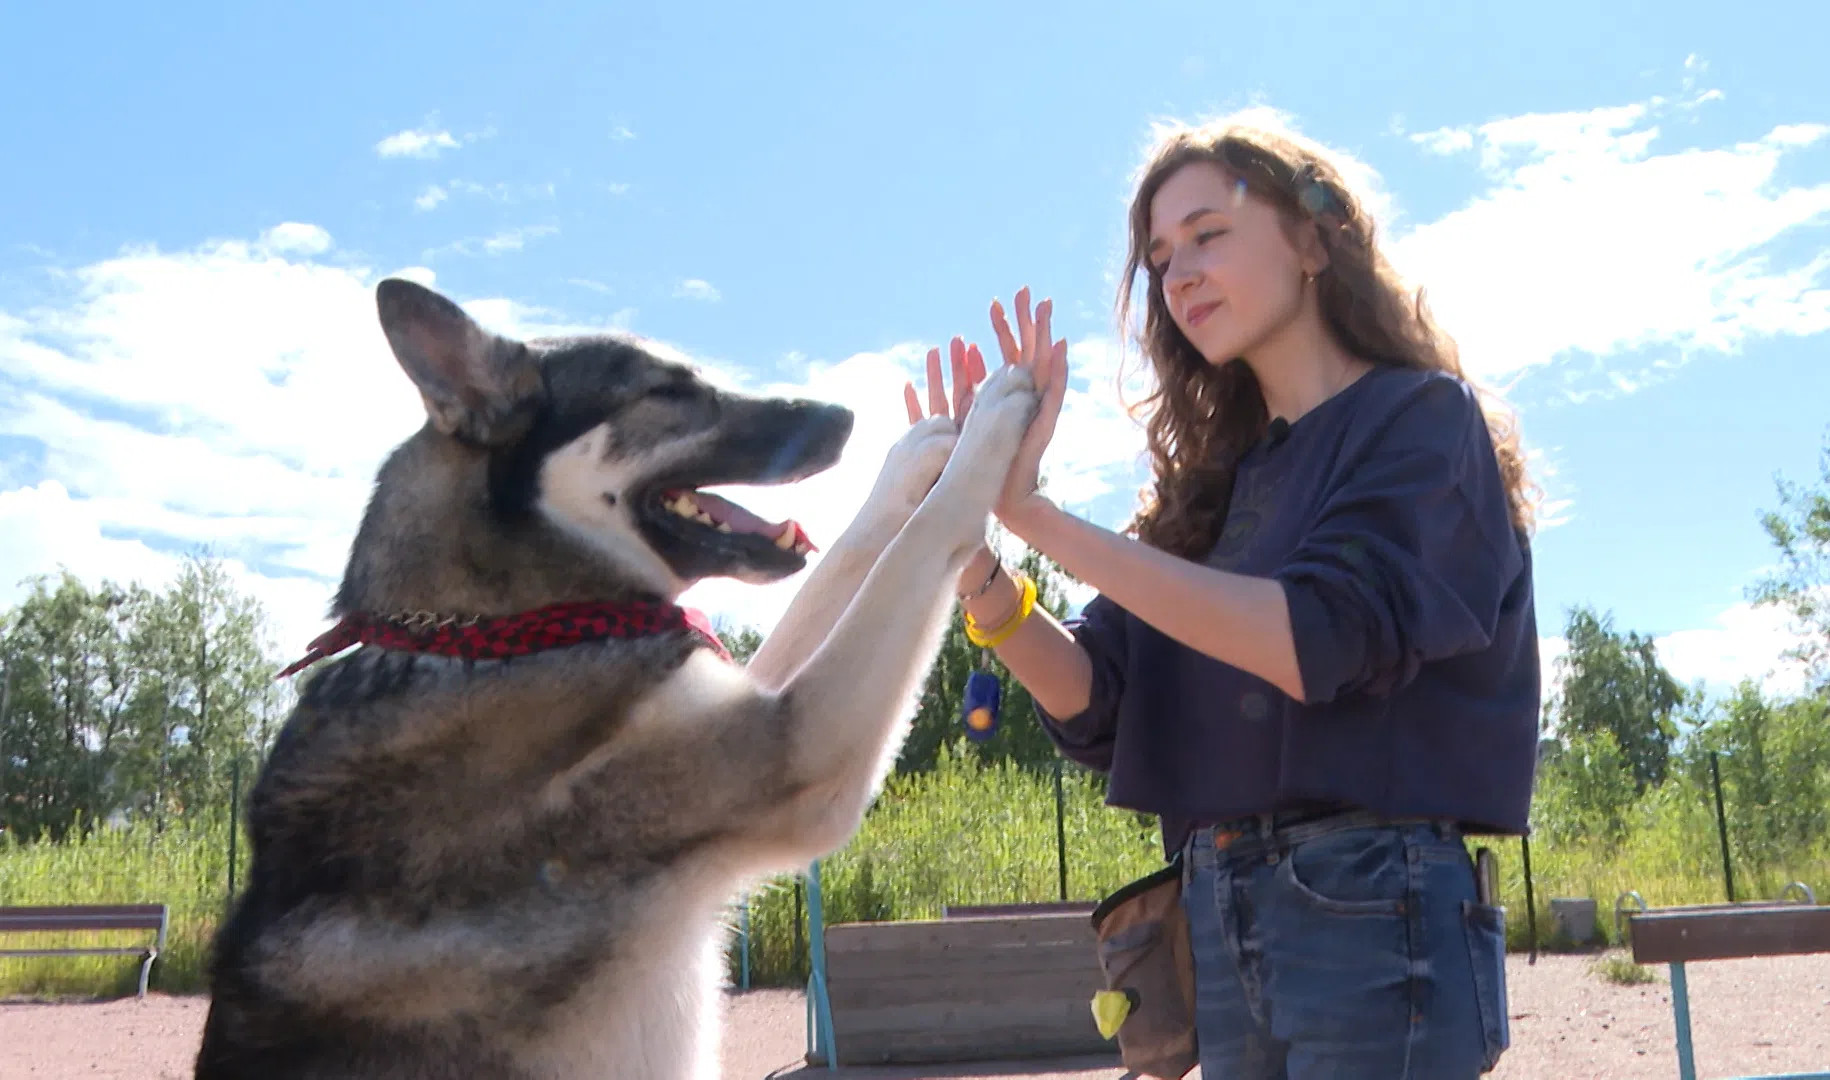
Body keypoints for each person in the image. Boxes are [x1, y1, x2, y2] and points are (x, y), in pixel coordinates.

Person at [908, 117, 1540, 1078]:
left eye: (1208, 234)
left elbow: (1313, 637)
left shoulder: (1421, 421)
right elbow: (1094, 694)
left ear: (1314, 240)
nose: (1178, 274)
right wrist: (973, 557)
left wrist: (1034, 512)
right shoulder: (1214, 487)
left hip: (1375, 907)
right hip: (1216, 906)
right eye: (1161, 257)